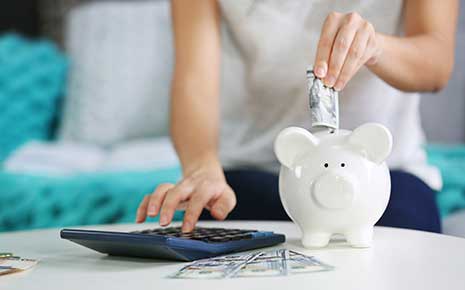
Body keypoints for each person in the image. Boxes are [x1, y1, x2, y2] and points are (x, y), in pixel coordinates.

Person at [136, 0, 458, 233]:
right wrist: (201, 167)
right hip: (248, 174)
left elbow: (436, 63)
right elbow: (195, 77)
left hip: (383, 173)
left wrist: (377, 48)